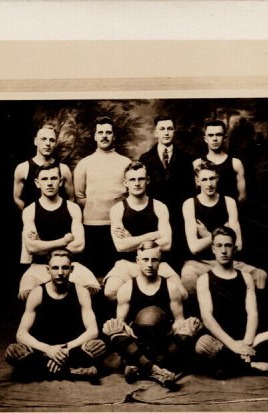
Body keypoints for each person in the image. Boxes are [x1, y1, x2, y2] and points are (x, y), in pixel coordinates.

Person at [194, 226, 268, 378]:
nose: (223, 250)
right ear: (213, 249)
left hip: (249, 339)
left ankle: (236, 366)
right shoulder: (204, 280)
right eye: (219, 246)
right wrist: (233, 345)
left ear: (234, 249)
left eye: (228, 245)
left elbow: (252, 313)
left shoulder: (246, 277)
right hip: (222, 341)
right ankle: (255, 366)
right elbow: (207, 319)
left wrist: (247, 343)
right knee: (203, 345)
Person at [102, 241, 202, 389]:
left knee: (189, 328)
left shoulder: (171, 287)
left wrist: (181, 326)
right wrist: (122, 327)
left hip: (163, 340)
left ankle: (142, 367)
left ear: (160, 261)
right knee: (113, 330)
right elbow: (120, 321)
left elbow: (179, 320)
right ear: (137, 261)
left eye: (154, 260)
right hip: (138, 343)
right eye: (145, 259)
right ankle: (157, 370)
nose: (150, 264)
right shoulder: (126, 288)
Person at [5, 250, 107, 383]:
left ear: (72, 269)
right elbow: (21, 334)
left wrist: (65, 348)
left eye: (65, 268)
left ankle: (39, 371)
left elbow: (93, 331)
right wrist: (48, 349)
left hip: (71, 349)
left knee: (98, 346)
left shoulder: (81, 292)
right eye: (55, 268)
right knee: (13, 351)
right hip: (42, 349)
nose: (60, 272)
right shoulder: (37, 293)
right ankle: (71, 372)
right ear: (48, 269)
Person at [103, 161, 186, 301]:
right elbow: (121, 246)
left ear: (147, 180)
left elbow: (167, 244)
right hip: (127, 264)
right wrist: (152, 235)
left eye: (141, 179)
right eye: (132, 179)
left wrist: (131, 240)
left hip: (157, 263)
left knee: (182, 294)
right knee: (110, 292)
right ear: (125, 182)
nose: (137, 183)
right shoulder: (118, 209)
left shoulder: (160, 207)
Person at [180, 159, 266, 294]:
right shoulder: (190, 204)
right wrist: (223, 232)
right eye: (204, 179)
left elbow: (238, 245)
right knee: (188, 277)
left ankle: (252, 313)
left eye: (212, 178)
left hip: (229, 261)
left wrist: (209, 235)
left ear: (217, 178)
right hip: (200, 263)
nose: (209, 184)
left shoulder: (229, 202)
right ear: (197, 181)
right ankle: (199, 314)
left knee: (260, 274)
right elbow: (194, 248)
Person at [18, 162, 100, 300]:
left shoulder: (73, 208)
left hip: (70, 265)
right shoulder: (29, 210)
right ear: (37, 183)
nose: (49, 183)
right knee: (26, 293)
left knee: (93, 289)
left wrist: (42, 244)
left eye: (53, 178)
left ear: (61, 182)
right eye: (45, 179)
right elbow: (32, 248)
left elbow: (79, 246)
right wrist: (64, 241)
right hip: (39, 265)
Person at [73, 116, 132, 275]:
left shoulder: (125, 162)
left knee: (117, 273)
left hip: (119, 227)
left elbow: (130, 195)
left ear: (114, 136)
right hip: (92, 228)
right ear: (95, 136)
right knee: (93, 273)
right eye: (100, 132)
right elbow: (79, 197)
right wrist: (97, 210)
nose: (104, 136)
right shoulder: (84, 163)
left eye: (108, 132)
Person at [138, 115, 194, 269]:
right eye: (162, 129)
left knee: (177, 262)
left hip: (178, 218)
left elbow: (190, 192)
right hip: (153, 219)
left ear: (174, 131)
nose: (166, 132)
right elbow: (142, 191)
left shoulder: (185, 158)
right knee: (154, 261)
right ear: (156, 132)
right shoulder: (145, 159)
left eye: (169, 128)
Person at [13, 123, 74, 265]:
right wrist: (34, 218)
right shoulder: (23, 168)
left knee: (60, 268)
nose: (48, 143)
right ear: (36, 141)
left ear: (55, 143)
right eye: (44, 139)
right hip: (32, 230)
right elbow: (17, 198)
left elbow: (71, 199)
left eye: (51, 140)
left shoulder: (63, 170)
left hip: (59, 230)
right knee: (31, 268)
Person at [192, 119, 246, 203]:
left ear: (224, 138)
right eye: (210, 135)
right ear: (205, 139)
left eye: (218, 135)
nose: (215, 139)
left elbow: (242, 197)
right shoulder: (197, 163)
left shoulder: (235, 163)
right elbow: (195, 194)